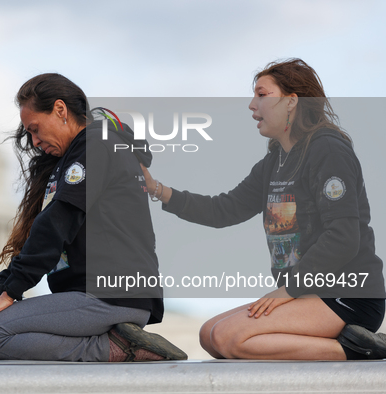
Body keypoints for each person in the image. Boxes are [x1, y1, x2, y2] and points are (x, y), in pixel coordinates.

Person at [142, 58, 386, 360]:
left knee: (227, 337)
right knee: (209, 335)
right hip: (305, 294)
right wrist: (157, 189)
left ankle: (358, 349)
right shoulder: (274, 163)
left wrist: (287, 291)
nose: (251, 104)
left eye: (262, 94)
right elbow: (224, 210)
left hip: (348, 295)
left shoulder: (327, 148)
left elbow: (344, 236)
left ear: (291, 101)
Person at [0, 73, 187, 362]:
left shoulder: (96, 144)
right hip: (92, 297)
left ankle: (117, 348)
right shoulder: (75, 156)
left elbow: (58, 220)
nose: (34, 141)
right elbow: (47, 228)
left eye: (35, 128)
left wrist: (9, 291)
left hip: (110, 296)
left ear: (59, 110)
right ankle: (116, 341)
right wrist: (1, 289)